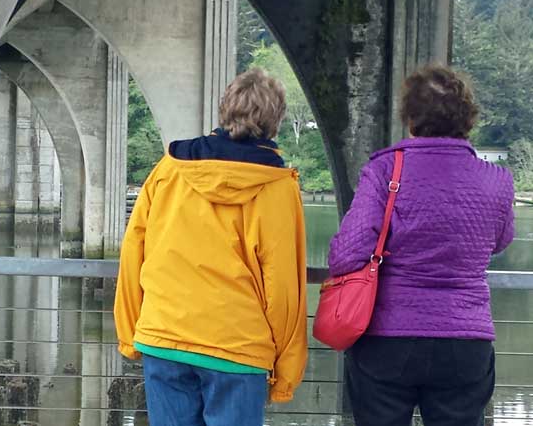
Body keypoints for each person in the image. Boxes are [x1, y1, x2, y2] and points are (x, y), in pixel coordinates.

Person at [114, 68, 308, 426]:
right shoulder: (277, 187)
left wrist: (130, 332)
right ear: (276, 121)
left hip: (165, 336)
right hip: (237, 347)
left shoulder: (170, 168)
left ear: (224, 110)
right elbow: (282, 286)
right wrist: (286, 369)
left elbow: (134, 248)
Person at [328, 64, 515, 426]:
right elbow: (501, 240)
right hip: (465, 340)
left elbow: (346, 255)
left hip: (388, 337)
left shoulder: (386, 170)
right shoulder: (496, 180)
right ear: (468, 119)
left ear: (410, 118)